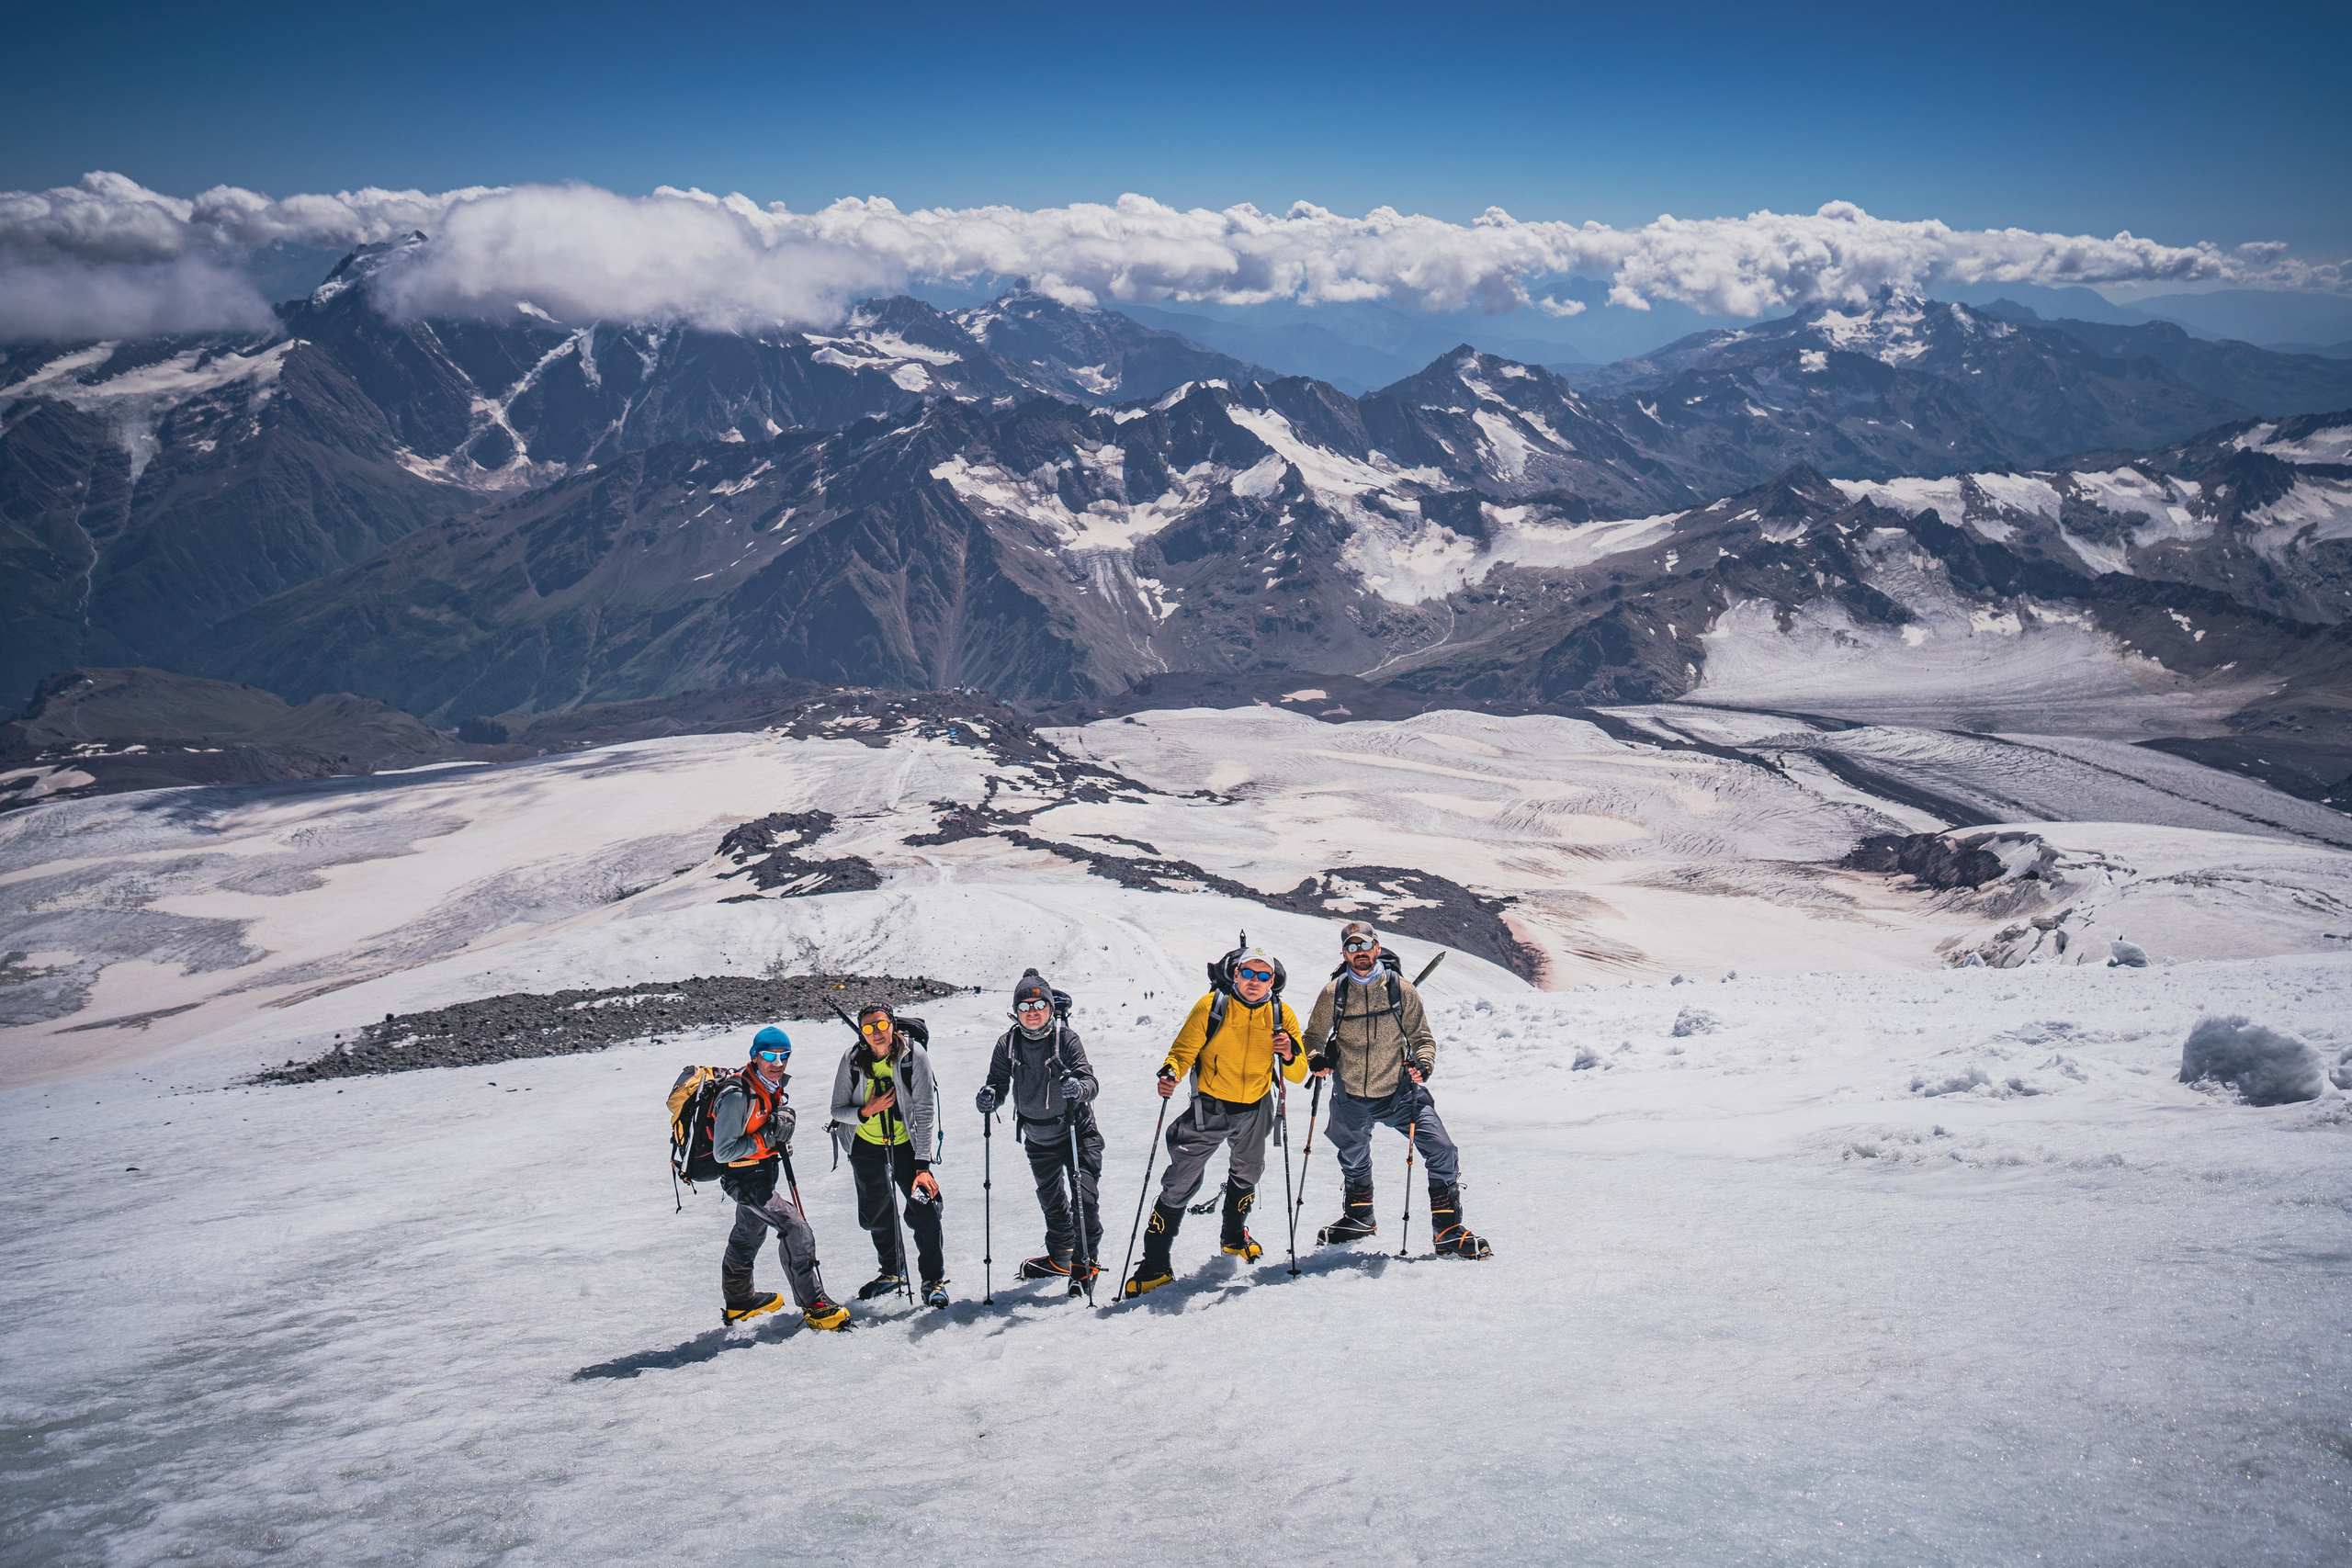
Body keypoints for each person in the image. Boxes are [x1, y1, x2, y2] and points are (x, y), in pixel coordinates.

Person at [1125, 945, 1310, 1298]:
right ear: (1235, 974)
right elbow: (1183, 1051)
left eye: (1263, 976)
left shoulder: (1281, 1013)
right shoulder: (1212, 1006)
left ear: (1273, 980)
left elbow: (1299, 1073)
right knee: (1180, 1181)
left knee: (1248, 1172)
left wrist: (1288, 1052)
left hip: (1256, 1107)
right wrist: (1171, 1072)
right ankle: (1155, 1264)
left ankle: (1233, 1236)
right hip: (1209, 1106)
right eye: (1248, 974)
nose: (1255, 982)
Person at [1303, 922, 1489, 1258]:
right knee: (1351, 1152)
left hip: (1400, 1093)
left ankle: (1447, 1228)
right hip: (1350, 1093)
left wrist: (1424, 1062)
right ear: (1344, 953)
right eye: (1352, 948)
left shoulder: (1400, 990)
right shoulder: (1334, 992)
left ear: (1377, 948)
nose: (1359, 954)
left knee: (1442, 1148)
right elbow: (1313, 1036)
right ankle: (1360, 1217)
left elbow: (1422, 1038)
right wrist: (1316, 1058)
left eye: (1365, 946)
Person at [713, 1025, 851, 1330]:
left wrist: (778, 1136)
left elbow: (762, 1127)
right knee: (794, 1227)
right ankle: (814, 1305)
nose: (777, 1063)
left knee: (748, 1234)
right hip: (744, 1179)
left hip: (761, 1174)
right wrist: (765, 1139)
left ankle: (739, 1302)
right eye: (769, 1056)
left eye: (783, 1056)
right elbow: (723, 1151)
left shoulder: (768, 1085)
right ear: (755, 1056)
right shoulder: (738, 1095)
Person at [974, 968, 1102, 1287]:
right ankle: (1060, 1259)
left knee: (1083, 1199)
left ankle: (1084, 1266)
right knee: (1052, 1202)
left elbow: (1090, 1081)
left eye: (1038, 1006)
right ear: (1015, 1012)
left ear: (1049, 1007)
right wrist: (990, 1096)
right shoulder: (1008, 1044)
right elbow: (997, 1082)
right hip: (1037, 1135)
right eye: (1024, 1008)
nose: (1032, 1013)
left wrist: (1079, 1088)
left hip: (1077, 1132)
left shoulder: (1066, 1039)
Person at [829, 1002, 947, 1307]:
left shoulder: (913, 1056)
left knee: (926, 1209)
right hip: (866, 1146)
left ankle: (933, 1281)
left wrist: (923, 1166)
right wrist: (867, 1111)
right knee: (877, 1213)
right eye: (868, 1028)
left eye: (881, 1025)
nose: (876, 1033)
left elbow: (924, 1111)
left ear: (893, 1024)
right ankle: (893, 1272)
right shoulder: (853, 1059)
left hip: (906, 1146)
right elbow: (837, 1110)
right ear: (862, 1033)